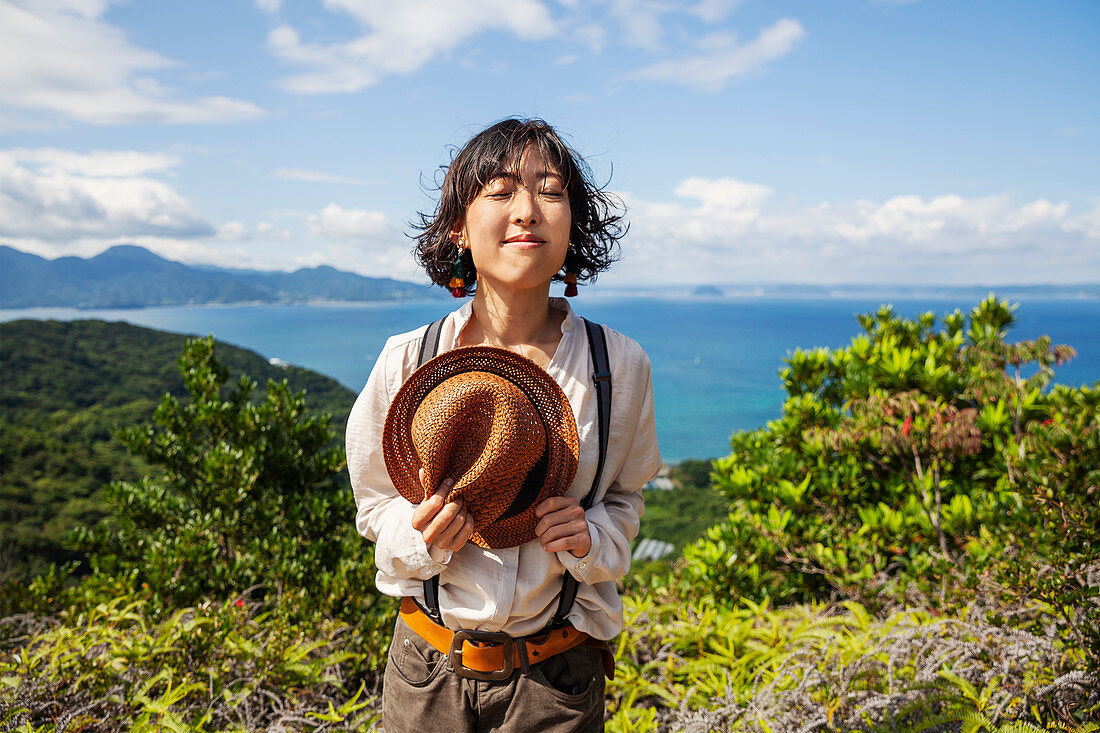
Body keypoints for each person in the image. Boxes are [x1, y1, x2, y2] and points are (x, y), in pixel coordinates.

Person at [346, 118, 662, 732]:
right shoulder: (409, 359)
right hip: (427, 672)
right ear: (459, 228)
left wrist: (590, 534)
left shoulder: (617, 365)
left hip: (559, 681)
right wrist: (420, 537)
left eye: (549, 191)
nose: (527, 211)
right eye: (499, 190)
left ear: (574, 224)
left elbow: (626, 497)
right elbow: (374, 501)